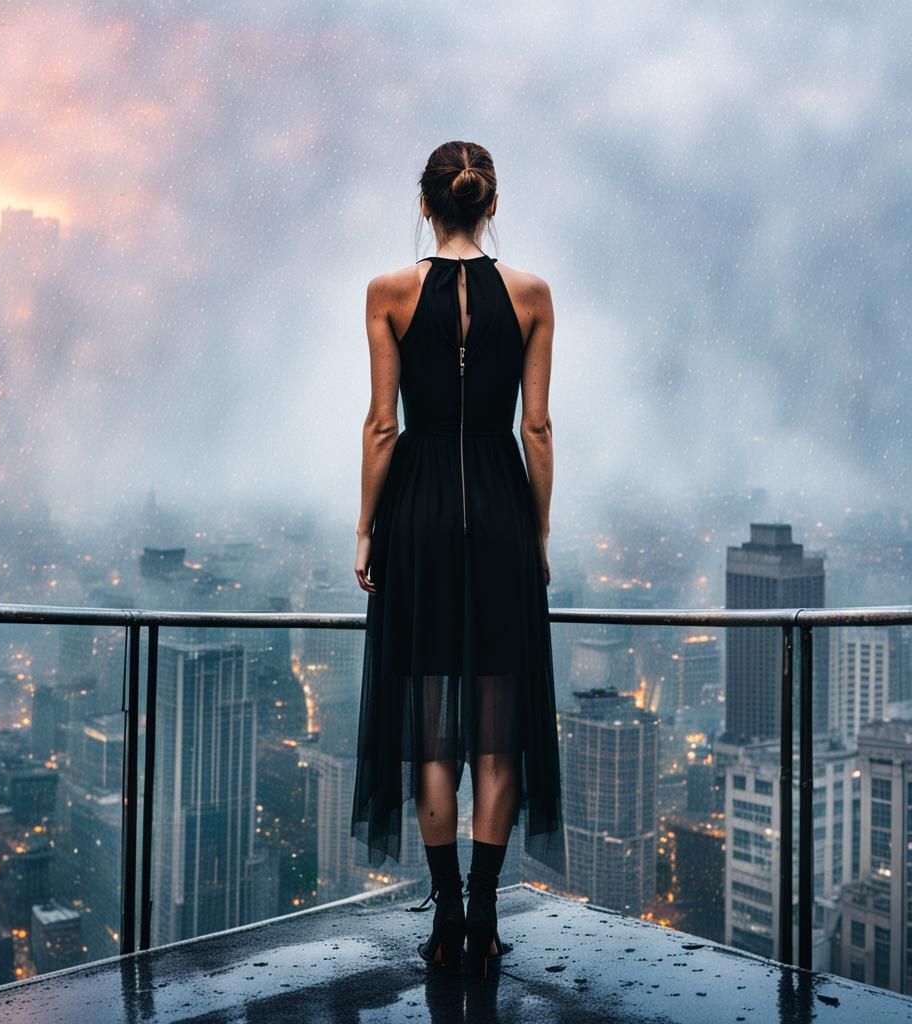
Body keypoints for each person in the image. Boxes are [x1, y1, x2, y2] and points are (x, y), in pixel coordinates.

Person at [350, 140, 564, 977]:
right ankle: (483, 910)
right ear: (492, 204)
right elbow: (535, 430)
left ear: (427, 205)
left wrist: (368, 529)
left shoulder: (390, 292)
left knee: (434, 736)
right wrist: (538, 532)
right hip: (504, 514)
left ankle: (442, 917)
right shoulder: (534, 294)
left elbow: (382, 426)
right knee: (498, 734)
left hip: (421, 517)